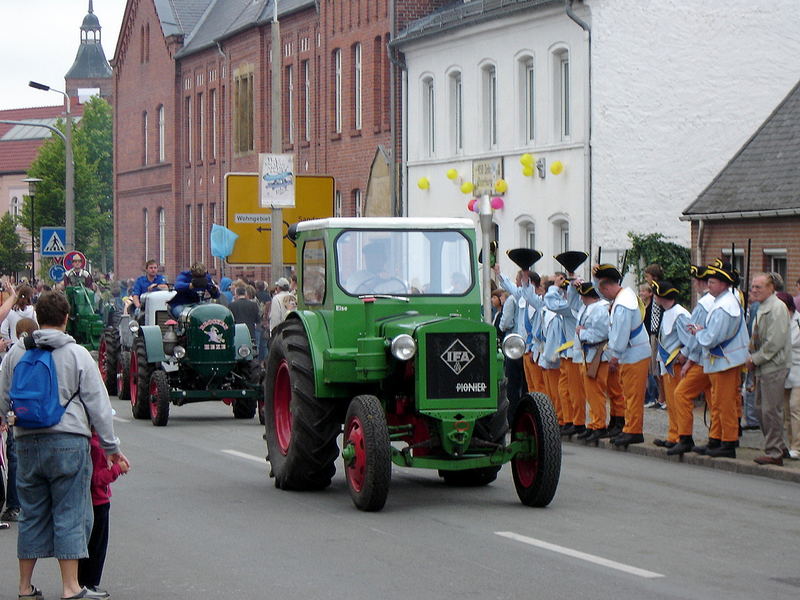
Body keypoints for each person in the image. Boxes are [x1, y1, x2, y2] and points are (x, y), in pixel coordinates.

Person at [0, 291, 129, 600]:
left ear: (37, 318)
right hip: (68, 442)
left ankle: (24, 587)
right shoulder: (77, 354)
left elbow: (3, 395)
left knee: (31, 514)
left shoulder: (17, 352)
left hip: (27, 442)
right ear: (66, 318)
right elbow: (98, 406)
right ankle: (71, 587)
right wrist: (112, 449)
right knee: (70, 513)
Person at [688, 260, 749, 459]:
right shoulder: (722, 302)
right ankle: (717, 438)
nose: (708, 285)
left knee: (725, 403)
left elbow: (712, 337)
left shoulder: (725, 307)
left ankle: (728, 441)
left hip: (725, 361)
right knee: (719, 401)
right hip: (722, 360)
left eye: (712, 282)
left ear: (724, 284)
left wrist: (699, 333)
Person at [593, 264, 651, 447]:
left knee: (632, 394)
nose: (603, 295)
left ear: (607, 286)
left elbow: (621, 332)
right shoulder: (624, 298)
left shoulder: (623, 303)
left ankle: (634, 430)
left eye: (602, 290)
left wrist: (614, 355)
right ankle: (629, 428)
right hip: (632, 352)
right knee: (628, 392)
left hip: (633, 352)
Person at [77, 426, 129, 598]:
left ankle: (83, 580)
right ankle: (88, 582)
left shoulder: (89, 443)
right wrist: (117, 469)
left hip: (93, 500)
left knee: (91, 543)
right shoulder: (96, 447)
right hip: (98, 501)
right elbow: (97, 479)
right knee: (97, 546)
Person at [746, 273, 791, 466]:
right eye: (753, 287)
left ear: (771, 288)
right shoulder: (763, 307)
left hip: (773, 366)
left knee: (770, 411)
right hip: (762, 367)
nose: (754, 290)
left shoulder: (777, 308)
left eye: (759, 287)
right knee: (760, 410)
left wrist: (754, 359)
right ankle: (778, 447)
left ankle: (775, 452)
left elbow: (775, 342)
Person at [650, 280, 691, 451]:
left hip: (675, 364)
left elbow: (689, 340)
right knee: (671, 403)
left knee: (677, 400)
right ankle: (673, 435)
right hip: (668, 363)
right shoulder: (668, 312)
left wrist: (684, 356)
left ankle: (681, 435)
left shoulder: (680, 314)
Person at [545, 271, 586, 436]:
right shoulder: (571, 306)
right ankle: (569, 420)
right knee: (564, 390)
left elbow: (552, 303)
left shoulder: (572, 308)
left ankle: (577, 421)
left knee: (575, 391)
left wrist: (555, 288)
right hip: (566, 353)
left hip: (573, 354)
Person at [573, 281, 611, 442]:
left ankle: (599, 424)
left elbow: (601, 334)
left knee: (596, 391)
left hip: (597, 354)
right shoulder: (589, 308)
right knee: (591, 392)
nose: (581, 298)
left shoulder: (600, 309)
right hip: (588, 354)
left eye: (582, 295)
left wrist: (583, 333)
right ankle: (594, 423)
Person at [781, 291, 800, 460]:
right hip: (785, 372)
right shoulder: (780, 321)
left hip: (798, 371)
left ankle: (797, 446)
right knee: (786, 411)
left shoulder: (798, 322)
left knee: (795, 408)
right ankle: (789, 443)